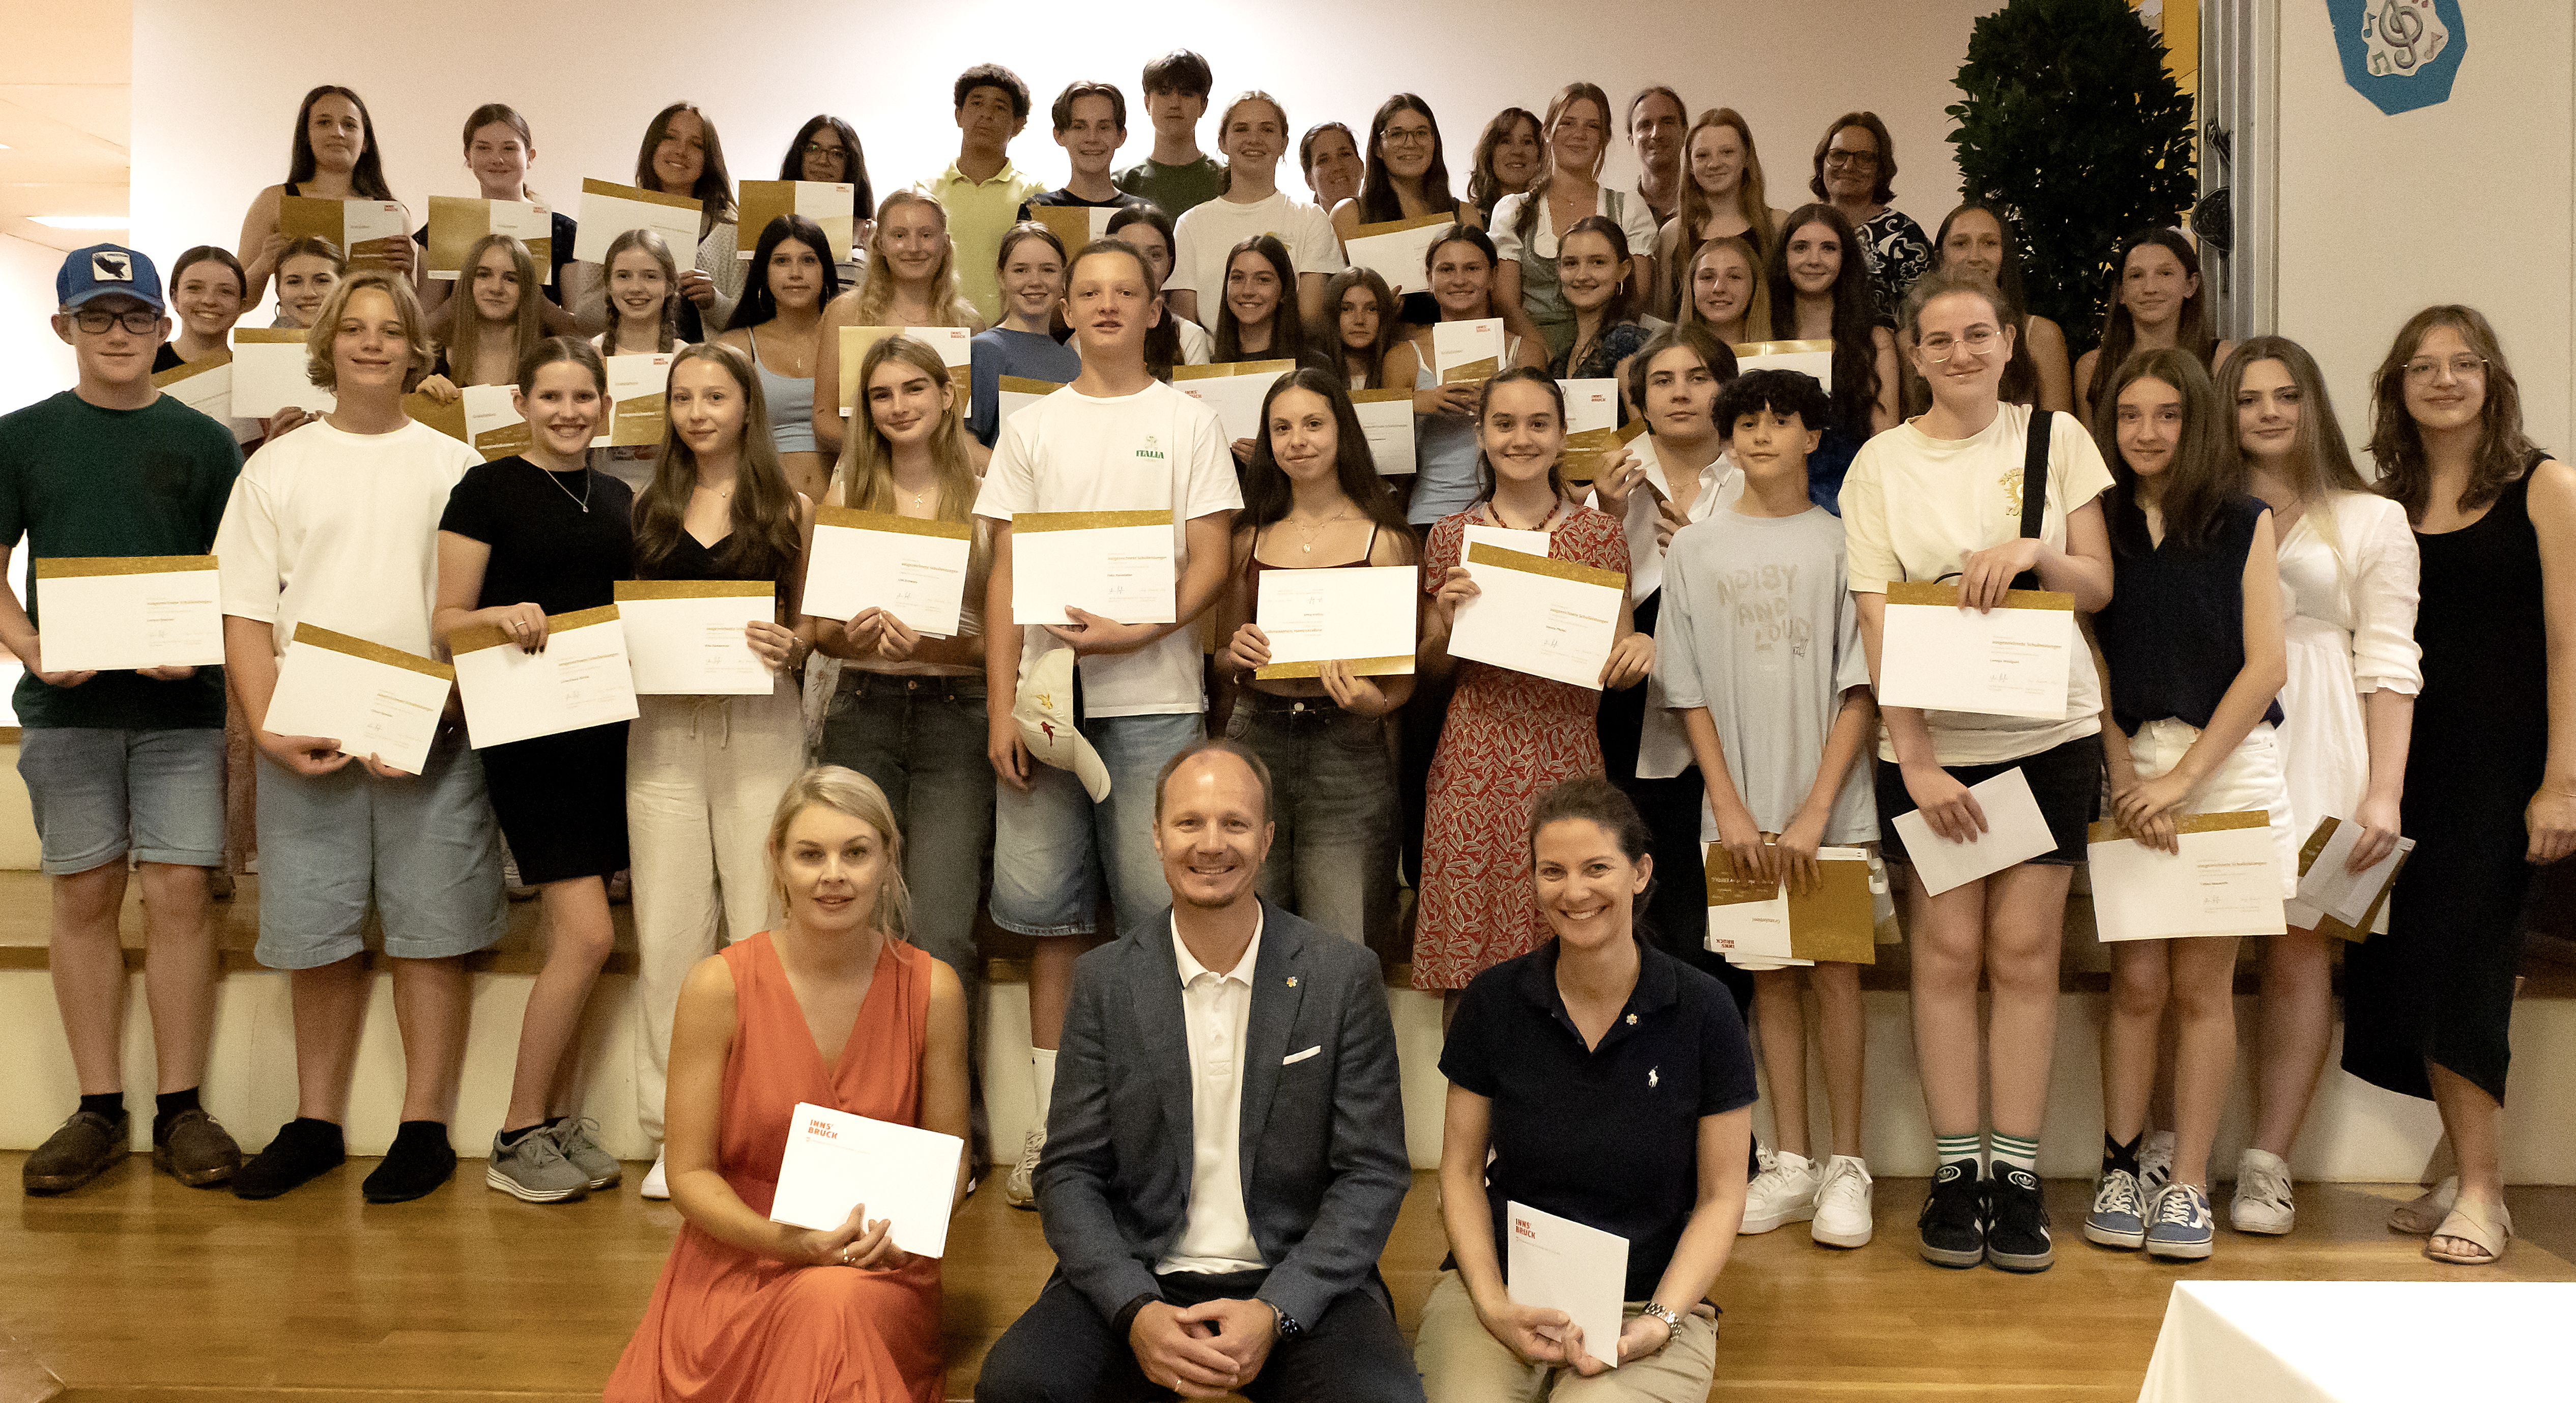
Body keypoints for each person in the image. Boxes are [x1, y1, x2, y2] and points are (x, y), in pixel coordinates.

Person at [973, 740, 1419, 1403]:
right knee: (1017, 1388)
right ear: (1156, 836)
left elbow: (1372, 1172)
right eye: (1189, 823)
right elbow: (1068, 1173)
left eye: (1234, 823)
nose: (1211, 843)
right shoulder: (1104, 980)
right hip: (1140, 1272)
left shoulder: (1339, 976)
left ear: (1266, 839)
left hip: (1291, 1276)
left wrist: (1276, 1311)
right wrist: (1135, 1309)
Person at [1841, 270, 2114, 1272]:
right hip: (1934, 752)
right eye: (1937, 340)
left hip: (2046, 735)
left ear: (2008, 341)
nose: (1958, 353)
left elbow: (2098, 582)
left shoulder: (2056, 440)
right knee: (1948, 955)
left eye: (1976, 335)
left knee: (2025, 955)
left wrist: (2034, 545)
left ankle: (2017, 1171)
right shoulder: (1878, 463)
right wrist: (1911, 756)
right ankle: (1958, 1172)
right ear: (1911, 354)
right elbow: (1876, 619)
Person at [215, 270, 506, 1202]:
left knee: (432, 933)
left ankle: (422, 1126)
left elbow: (478, 610)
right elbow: (247, 614)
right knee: (317, 935)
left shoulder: (456, 466)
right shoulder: (275, 468)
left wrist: (449, 704)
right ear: (327, 344)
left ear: (418, 348)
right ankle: (316, 1121)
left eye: (391, 330)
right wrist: (268, 731)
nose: (374, 344)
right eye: (355, 329)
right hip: (309, 735)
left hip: (433, 730)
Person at [974, 239, 1241, 1208]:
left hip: (1156, 702)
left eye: (1125, 291)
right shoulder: (1033, 425)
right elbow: (1004, 575)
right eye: (1088, 292)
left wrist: (1145, 628)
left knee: (1159, 919)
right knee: (1051, 917)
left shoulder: (1186, 419)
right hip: (1044, 702)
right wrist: (1003, 699)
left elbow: (1210, 557)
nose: (1105, 305)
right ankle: (1056, 1133)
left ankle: (1163, 1132)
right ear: (1065, 310)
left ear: (1153, 308)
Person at [607, 766, 969, 1403]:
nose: (834, 874)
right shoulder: (717, 987)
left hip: (875, 1262)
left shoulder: (933, 989)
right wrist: (790, 1243)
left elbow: (951, 1161)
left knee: (834, 1306)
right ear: (776, 861)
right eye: (811, 854)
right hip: (740, 1252)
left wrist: (893, 1235)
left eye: (856, 853)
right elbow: (689, 1173)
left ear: (888, 860)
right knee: (824, 1313)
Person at [8, 245, 245, 1196]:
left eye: (137, 317)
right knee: (83, 896)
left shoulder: (204, 441)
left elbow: (237, 578)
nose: (119, 334)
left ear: (162, 329)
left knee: (183, 894)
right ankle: (98, 1105)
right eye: (99, 316)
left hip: (180, 709)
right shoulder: (19, 437)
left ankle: (180, 1105)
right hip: (66, 711)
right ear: (63, 326)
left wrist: (201, 645)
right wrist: (29, 647)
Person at [2348, 306, 2574, 1267]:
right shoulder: (2383, 503)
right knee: (2417, 968)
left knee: (2467, 970)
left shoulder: (2545, 485)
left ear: (2491, 379)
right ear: (2396, 387)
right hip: (2411, 769)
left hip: (2507, 771)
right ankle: (2456, 1159)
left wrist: (2562, 779)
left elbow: (2571, 642)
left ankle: (2484, 1191)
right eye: (2421, 366)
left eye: (2462, 364)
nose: (2443, 380)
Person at [1415, 775, 1751, 1402]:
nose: (1574, 892)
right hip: (1503, 1293)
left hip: (1644, 1300)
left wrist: (1658, 1324)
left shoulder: (1705, 1009)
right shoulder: (1493, 1000)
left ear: (1640, 872)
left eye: (1597, 867)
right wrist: (1490, 1305)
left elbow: (1721, 1196)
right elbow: (1459, 1172)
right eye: (1552, 871)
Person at [1656, 368, 1881, 1253]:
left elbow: (1858, 684)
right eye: (1745, 421)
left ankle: (1847, 1162)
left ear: (1812, 437)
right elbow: (1687, 688)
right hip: (1738, 810)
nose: (1759, 435)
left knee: (1833, 973)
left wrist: (1815, 808)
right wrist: (1732, 807)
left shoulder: (1842, 544)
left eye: (1779, 421)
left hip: (1827, 804)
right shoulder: (1694, 549)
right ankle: (1789, 1157)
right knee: (1771, 977)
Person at [2080, 349, 2290, 1264]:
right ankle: (2122, 1165)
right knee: (2136, 986)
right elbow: (2083, 648)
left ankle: (2190, 1181)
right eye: (2129, 415)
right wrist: (2128, 775)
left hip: (2227, 771)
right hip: (2128, 765)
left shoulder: (2244, 521)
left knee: (2203, 988)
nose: (2146, 433)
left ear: (2195, 420)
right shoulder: (2101, 525)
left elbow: (2265, 667)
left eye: (2166, 414)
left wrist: (2181, 783)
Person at [2216, 335, 2416, 1235]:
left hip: (2330, 740)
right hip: (2222, 736)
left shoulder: (2372, 517)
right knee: (2202, 953)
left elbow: (2388, 660)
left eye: (2284, 394)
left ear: (2311, 404)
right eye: (2248, 396)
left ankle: (2267, 1162)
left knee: (2302, 957)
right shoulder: (2202, 510)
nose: (2266, 411)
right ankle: (2169, 1149)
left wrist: (2383, 791)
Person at [431, 336, 637, 1202]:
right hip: (525, 733)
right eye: (550, 396)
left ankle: (550, 1121)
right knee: (589, 933)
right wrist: (501, 615)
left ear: (603, 405)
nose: (567, 411)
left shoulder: (621, 494)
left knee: (581, 937)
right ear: (520, 402)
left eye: (582, 396)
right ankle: (517, 1130)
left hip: (604, 729)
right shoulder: (486, 486)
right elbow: (444, 619)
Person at [627, 341, 817, 1200]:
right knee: (668, 935)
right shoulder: (644, 509)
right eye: (682, 398)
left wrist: (797, 641)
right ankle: (679, 1136)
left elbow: (816, 623)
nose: (698, 411)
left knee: (760, 934)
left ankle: (767, 1130)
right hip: (664, 734)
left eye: (715, 395)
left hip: (762, 725)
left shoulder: (792, 508)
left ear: (747, 406)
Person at [815, 334, 999, 1182]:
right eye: (881, 393)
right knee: (857, 921)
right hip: (863, 708)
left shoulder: (991, 478)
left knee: (942, 929)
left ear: (945, 390)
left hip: (956, 714)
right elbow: (813, 627)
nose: (898, 406)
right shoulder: (847, 487)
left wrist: (940, 643)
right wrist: (842, 633)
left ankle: (951, 1129)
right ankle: (866, 1125)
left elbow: (1005, 634)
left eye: (912, 388)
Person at [1415, 369, 1652, 999]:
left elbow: (1616, 661)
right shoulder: (1448, 536)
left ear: (1562, 436)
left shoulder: (1600, 536)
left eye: (1538, 424)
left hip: (1565, 752)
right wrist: (1443, 623)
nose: (1521, 439)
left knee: (1570, 957)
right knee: (1469, 971)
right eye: (1505, 424)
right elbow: (1431, 671)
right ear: (1481, 436)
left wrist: (1637, 650)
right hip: (1474, 760)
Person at [1216, 369, 1419, 948]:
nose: (1296, 440)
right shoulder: (1246, 536)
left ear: (1342, 432)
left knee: (1343, 941)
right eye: (1280, 428)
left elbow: (1402, 679)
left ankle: (1340, 1044)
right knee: (1252, 934)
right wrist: (1235, 654)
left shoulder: (1385, 539)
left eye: (1312, 424)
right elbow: (1221, 663)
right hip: (1255, 738)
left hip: (1348, 747)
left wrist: (1371, 701)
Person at [1381, 225, 1547, 527]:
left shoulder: (1525, 353)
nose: (1459, 280)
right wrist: (1415, 403)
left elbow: (1543, 435)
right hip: (1432, 511)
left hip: (1513, 513)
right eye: (1447, 269)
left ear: (1494, 277)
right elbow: (1387, 461)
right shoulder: (1404, 358)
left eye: (1472, 268)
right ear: (1429, 279)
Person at [812, 190, 987, 460]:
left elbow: (963, 426)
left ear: (945, 243)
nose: (914, 248)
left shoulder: (968, 324)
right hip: (865, 473)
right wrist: (896, 454)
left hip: (945, 477)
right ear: (879, 243)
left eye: (926, 235)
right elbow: (825, 421)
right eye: (900, 235)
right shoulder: (845, 313)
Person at [1493, 84, 1658, 363]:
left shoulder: (1629, 208)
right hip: (1532, 355)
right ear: (1547, 133)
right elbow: (1506, 302)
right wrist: (1541, 354)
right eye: (1567, 123)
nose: (1579, 134)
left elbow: (1635, 298)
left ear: (1605, 138)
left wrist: (1591, 358)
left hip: (1607, 355)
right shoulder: (1514, 210)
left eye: (1592, 127)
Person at [1764, 204, 1900, 512]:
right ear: (1784, 257)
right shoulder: (1761, 333)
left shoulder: (1875, 341)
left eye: (1829, 248)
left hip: (1850, 503)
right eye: (1800, 248)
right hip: (1770, 500)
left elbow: (1885, 445)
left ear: (1845, 259)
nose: (1814, 260)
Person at [1169, 92, 1345, 329]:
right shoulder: (1191, 225)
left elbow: (1310, 322)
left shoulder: (1310, 219)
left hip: (1290, 364)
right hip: (1213, 364)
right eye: (1242, 129)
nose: (1254, 139)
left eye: (1267, 130)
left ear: (1283, 143)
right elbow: (1186, 327)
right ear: (1223, 142)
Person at [234, 85, 415, 309]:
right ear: (307, 137)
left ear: (366, 141)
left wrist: (406, 274)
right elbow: (237, 303)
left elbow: (409, 311)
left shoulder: (392, 214)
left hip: (367, 336)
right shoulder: (274, 201)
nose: (337, 133)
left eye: (349, 125)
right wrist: (264, 264)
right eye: (324, 123)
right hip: (295, 338)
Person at [413, 105, 580, 334]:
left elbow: (578, 332)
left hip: (540, 363)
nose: (498, 159)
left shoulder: (564, 232)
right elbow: (423, 329)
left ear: (530, 157)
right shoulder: (444, 226)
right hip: (458, 364)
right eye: (483, 148)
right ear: (468, 157)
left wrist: (540, 305)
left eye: (509, 148)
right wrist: (455, 306)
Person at [699, 116, 877, 324]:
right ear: (799, 155)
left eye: (837, 154)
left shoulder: (869, 232)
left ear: (851, 163)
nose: (823, 160)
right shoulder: (763, 219)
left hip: (846, 341)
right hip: (777, 341)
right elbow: (745, 303)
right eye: (813, 148)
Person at [716, 214, 841, 504]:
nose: (795, 273)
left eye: (809, 260)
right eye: (781, 261)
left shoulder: (851, 341)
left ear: (825, 270)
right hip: (764, 509)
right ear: (764, 272)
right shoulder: (735, 347)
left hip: (848, 505)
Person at [1917, 204, 2072, 415]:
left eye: (1990, 243)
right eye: (1961, 244)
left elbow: (2058, 437)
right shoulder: (1911, 339)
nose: (1975, 257)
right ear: (1940, 257)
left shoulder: (2041, 335)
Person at [2075, 229, 2235, 425]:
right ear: (2121, 293)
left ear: (2190, 286)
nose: (2150, 288)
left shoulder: (2222, 360)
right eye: (2136, 276)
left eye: (2165, 273)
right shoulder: (2092, 368)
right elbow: (2088, 452)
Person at [925, 64, 1045, 327]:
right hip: (936, 335)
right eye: (977, 104)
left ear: (1019, 125)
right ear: (959, 115)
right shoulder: (925, 193)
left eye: (1000, 107)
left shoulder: (1035, 195)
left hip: (1007, 339)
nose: (986, 115)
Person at [1654, 109, 1787, 320]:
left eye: (1727, 152)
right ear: (1689, 165)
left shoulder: (1778, 225)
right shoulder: (1672, 234)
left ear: (1746, 158)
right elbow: (1665, 318)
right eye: (1702, 155)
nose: (1714, 164)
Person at [592, 227, 690, 497]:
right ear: (609, 285)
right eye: (624, 276)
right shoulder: (591, 355)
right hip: (604, 499)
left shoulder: (687, 359)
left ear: (670, 286)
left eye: (650, 276)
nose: (636, 288)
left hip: (674, 499)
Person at [625, 103, 734, 338]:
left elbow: (754, 320)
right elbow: (583, 315)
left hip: (708, 367)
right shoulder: (619, 216)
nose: (681, 151)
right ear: (652, 147)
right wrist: (623, 290)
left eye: (696, 145)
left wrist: (714, 302)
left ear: (708, 160)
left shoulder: (729, 229)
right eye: (670, 138)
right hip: (630, 365)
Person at [1809, 112, 1927, 324]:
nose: (1848, 166)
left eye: (1864, 158)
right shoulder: (1802, 228)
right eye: (1838, 155)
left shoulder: (1904, 233)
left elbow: (1923, 317)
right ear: (1822, 161)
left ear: (1881, 169)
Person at [969, 223, 1079, 446]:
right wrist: (1020, 481)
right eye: (1021, 270)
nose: (1035, 281)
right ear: (1001, 277)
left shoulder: (1070, 357)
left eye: (1048, 270)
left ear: (1064, 279)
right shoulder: (985, 350)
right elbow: (965, 444)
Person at [418, 234, 542, 398]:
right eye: (484, 275)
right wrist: (421, 401)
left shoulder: (549, 361)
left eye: (511, 279)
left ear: (526, 290)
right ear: (468, 282)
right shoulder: (429, 360)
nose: (496, 288)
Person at [1211, 237, 1329, 402]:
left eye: (1263, 280)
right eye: (1238, 278)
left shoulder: (1316, 367)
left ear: (1284, 291)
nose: (1248, 291)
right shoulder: (1209, 370)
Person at [1115, 50, 1226, 220]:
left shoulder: (1227, 181)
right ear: (1147, 104)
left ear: (1204, 105)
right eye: (1164, 92)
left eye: (1187, 94)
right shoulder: (1120, 185)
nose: (1175, 104)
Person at [1105, 204, 1216, 369]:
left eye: (1155, 255)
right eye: (1130, 254)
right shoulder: (1089, 333)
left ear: (1169, 263)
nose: (1143, 266)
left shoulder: (1188, 337)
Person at [1022, 82, 1148, 221]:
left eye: (1104, 127)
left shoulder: (1142, 214)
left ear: (1121, 136)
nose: (1092, 138)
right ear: (1059, 135)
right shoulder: (1038, 211)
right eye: (1080, 127)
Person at [1547, 216, 1648, 385]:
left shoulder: (1627, 343)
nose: (1582, 276)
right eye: (1571, 263)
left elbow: (1641, 413)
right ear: (1559, 270)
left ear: (1623, 270)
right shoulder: (1563, 357)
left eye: (1598, 262)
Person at [159, 246, 248, 369]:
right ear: (175, 299)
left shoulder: (251, 372)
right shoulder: (146, 365)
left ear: (241, 305)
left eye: (225, 291)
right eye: (194, 288)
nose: (209, 301)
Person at [1673, 235, 1766, 348]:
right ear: (1692, 287)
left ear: (1755, 286)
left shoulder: (1780, 356)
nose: (1719, 288)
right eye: (1707, 277)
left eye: (1734, 277)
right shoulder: (1669, 359)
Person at [1321, 267, 1400, 391]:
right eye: (1347, 309)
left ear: (1383, 315)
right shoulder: (1313, 371)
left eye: (1371, 309)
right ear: (1333, 314)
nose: (1359, 320)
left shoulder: (1402, 368)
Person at [1465, 107, 1544, 225]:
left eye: (1527, 142)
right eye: (1506, 141)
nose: (1517, 151)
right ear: (1489, 153)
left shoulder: (1553, 218)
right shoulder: (1469, 221)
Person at [1625, 85, 1690, 228]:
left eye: (1667, 122)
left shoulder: (1707, 208)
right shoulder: (1620, 214)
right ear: (1631, 140)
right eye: (1645, 125)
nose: (1656, 134)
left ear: (1685, 133)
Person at [269, 237, 344, 330]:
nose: (308, 293)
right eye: (294, 282)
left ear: (345, 287)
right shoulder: (264, 342)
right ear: (278, 291)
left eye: (322, 281)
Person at [1298, 122, 1365, 214]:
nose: (1337, 166)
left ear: (1361, 166)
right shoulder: (1299, 227)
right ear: (1310, 181)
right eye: (1324, 160)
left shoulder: (1388, 222)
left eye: (1345, 154)